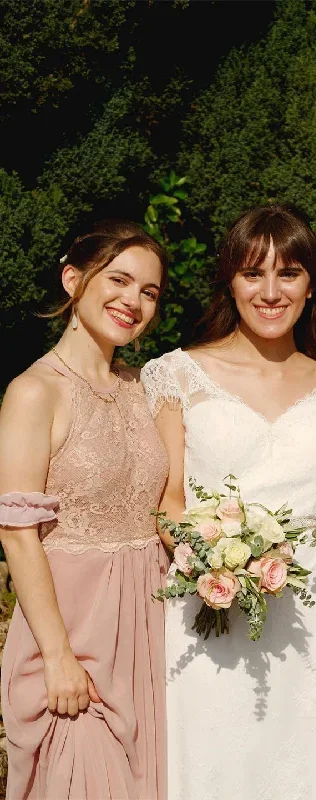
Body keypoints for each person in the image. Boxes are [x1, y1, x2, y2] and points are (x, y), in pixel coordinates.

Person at [141, 205, 316, 800]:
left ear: (310, 286)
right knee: (216, 760)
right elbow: (166, 501)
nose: (271, 292)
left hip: (315, 606)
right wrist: (217, 559)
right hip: (211, 602)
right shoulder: (178, 375)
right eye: (254, 274)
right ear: (230, 280)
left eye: (289, 273)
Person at [0, 220, 170, 799]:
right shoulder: (34, 392)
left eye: (149, 292)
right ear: (74, 278)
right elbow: (18, 535)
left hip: (151, 628)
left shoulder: (146, 388)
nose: (134, 301)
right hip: (73, 634)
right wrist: (58, 658)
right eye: (119, 280)